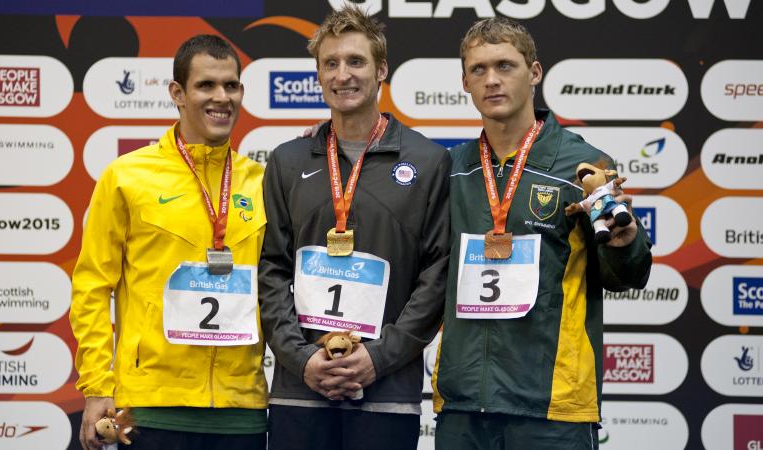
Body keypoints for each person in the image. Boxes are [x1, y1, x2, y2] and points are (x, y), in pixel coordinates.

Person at [432, 17, 652, 450]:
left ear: (534, 73)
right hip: (463, 407)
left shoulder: (583, 167)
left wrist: (626, 244)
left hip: (552, 408)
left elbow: (628, 275)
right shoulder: (451, 169)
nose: (492, 80)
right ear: (464, 82)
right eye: (478, 70)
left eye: (505, 66)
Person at [258, 6, 450, 450]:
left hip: (387, 392)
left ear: (381, 69)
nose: (343, 74)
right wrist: (301, 358)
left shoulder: (427, 162)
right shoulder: (287, 160)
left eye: (356, 61)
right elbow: (270, 270)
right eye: (331, 63)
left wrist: (378, 358)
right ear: (319, 75)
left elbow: (437, 275)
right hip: (298, 390)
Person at [70, 34, 268, 450]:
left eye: (231, 85)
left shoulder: (264, 181)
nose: (222, 97)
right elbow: (92, 286)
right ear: (177, 93)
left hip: (241, 410)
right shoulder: (127, 176)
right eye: (206, 85)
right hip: (149, 406)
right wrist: (96, 386)